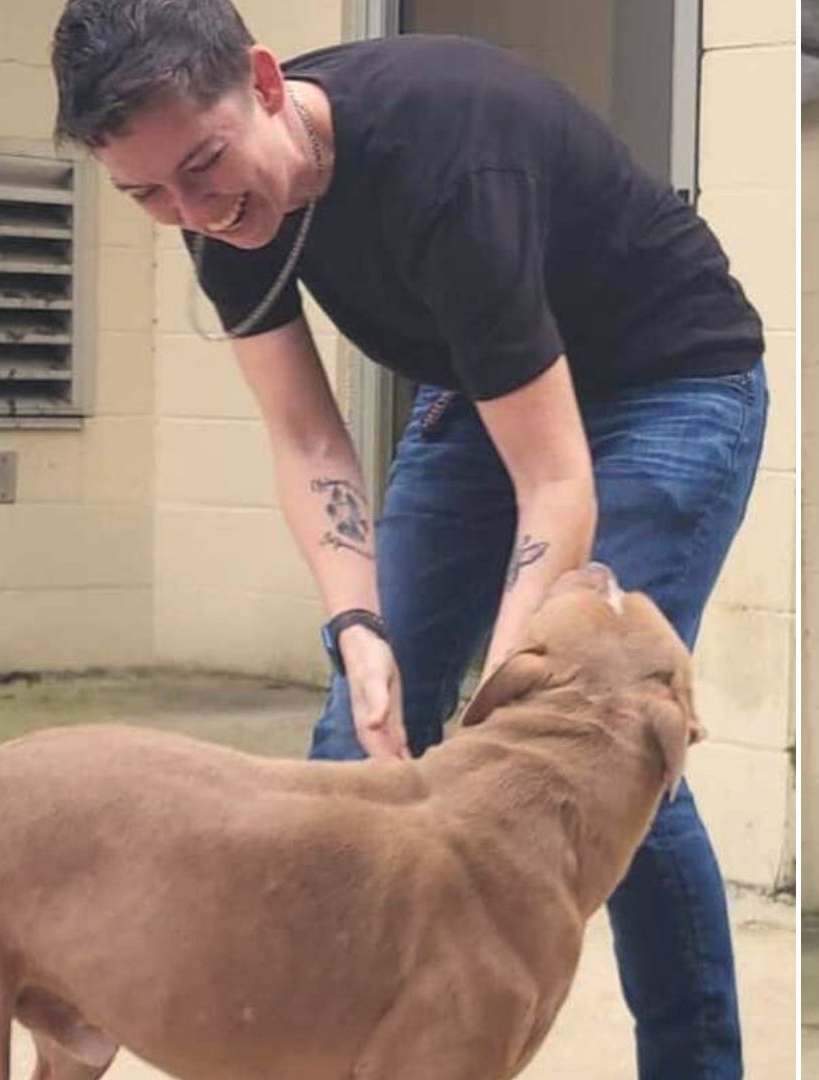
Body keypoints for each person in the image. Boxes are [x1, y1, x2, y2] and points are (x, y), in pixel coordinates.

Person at [50, 3, 765, 1075]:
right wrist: (357, 626)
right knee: (362, 725)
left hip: (668, 381)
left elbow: (556, 477)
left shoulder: (448, 162)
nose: (191, 210)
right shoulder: (216, 210)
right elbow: (306, 442)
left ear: (264, 80)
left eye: (202, 167)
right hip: (485, 389)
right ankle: (326, 1037)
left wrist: (512, 691)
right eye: (145, 193)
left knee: (609, 739)